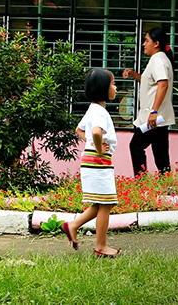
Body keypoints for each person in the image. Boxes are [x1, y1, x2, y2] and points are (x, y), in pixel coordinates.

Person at [61, 69, 121, 257]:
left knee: (98, 204)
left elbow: (79, 130)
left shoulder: (92, 109)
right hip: (98, 162)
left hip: (91, 161)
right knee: (106, 204)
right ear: (104, 89)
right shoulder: (100, 113)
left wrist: (92, 145)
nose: (116, 87)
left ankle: (73, 225)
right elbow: (95, 132)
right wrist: (97, 146)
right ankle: (101, 246)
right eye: (113, 84)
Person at [122, 27, 175, 176]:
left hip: (153, 118)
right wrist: (134, 75)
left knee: (136, 146)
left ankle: (141, 183)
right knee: (161, 154)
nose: (144, 44)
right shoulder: (159, 59)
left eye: (146, 40)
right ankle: (167, 186)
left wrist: (154, 111)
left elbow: (163, 84)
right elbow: (151, 83)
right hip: (158, 118)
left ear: (156, 43)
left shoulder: (158, 60)